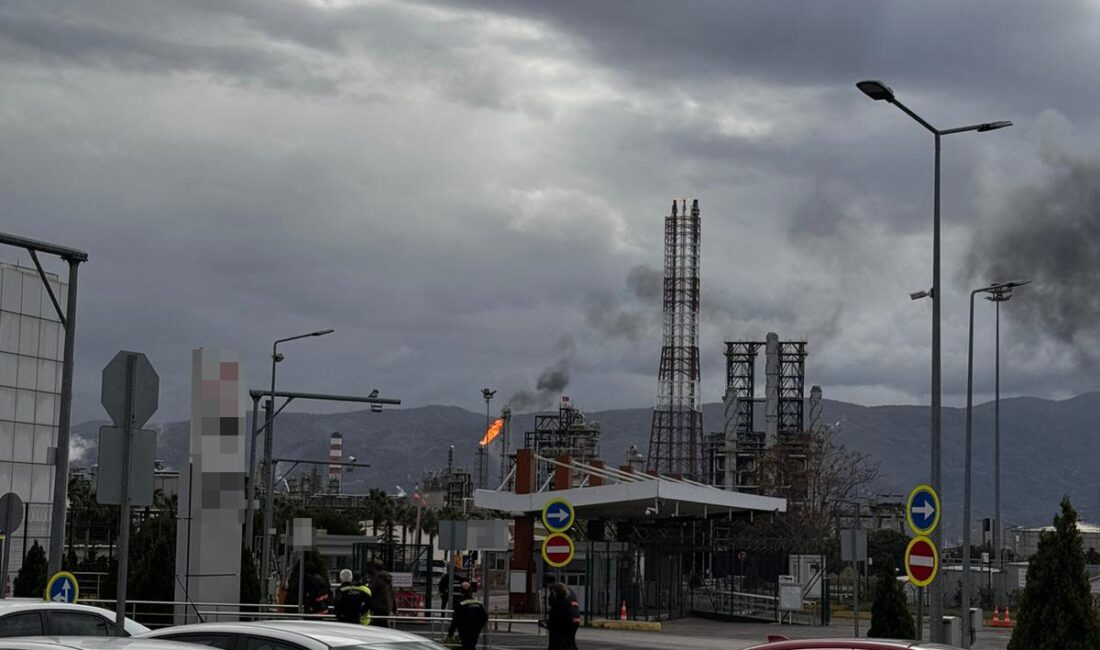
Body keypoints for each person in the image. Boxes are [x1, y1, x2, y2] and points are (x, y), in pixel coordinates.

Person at [447, 581, 488, 650]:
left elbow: (455, 620)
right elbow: (485, 617)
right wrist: (478, 628)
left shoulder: (461, 604)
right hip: (475, 632)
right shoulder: (478, 603)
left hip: (464, 632)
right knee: (472, 646)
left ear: (461, 591)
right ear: (471, 591)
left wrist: (450, 634)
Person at [544, 582, 580, 650]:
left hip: (559, 639)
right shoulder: (568, 600)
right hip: (572, 627)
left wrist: (547, 624)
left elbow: (554, 622)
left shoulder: (558, 604)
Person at [369, 559, 397, 627]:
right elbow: (391, 593)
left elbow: (372, 591)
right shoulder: (386, 578)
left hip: (379, 606)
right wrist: (393, 607)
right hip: (387, 606)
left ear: (375, 568)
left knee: (378, 625)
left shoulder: (377, 579)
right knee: (383, 623)